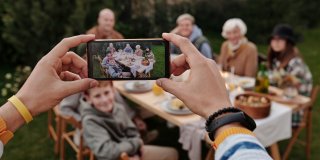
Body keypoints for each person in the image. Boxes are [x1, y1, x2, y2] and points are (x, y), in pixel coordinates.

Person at [0, 33, 272, 160]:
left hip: (128, 139)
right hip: (128, 150)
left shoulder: (114, 101)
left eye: (108, 93)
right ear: (88, 99)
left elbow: (125, 116)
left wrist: (20, 106)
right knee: (170, 150)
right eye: (101, 94)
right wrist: (222, 112)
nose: (106, 98)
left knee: (151, 126)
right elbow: (108, 147)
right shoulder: (93, 118)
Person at [80, 81, 178, 160]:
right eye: (97, 96)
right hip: (118, 157)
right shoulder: (90, 121)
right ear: (88, 98)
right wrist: (134, 146)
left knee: (172, 153)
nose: (104, 100)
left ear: (113, 90)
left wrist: (136, 152)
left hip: (130, 151)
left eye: (106, 92)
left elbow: (132, 131)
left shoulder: (118, 108)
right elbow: (107, 152)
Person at [267, 24, 313, 127]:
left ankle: (267, 140)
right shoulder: (276, 59)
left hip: (294, 108)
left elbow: (295, 93)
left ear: (288, 43)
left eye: (280, 40)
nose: (276, 43)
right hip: (280, 101)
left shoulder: (295, 63)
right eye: (273, 39)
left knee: (262, 114)